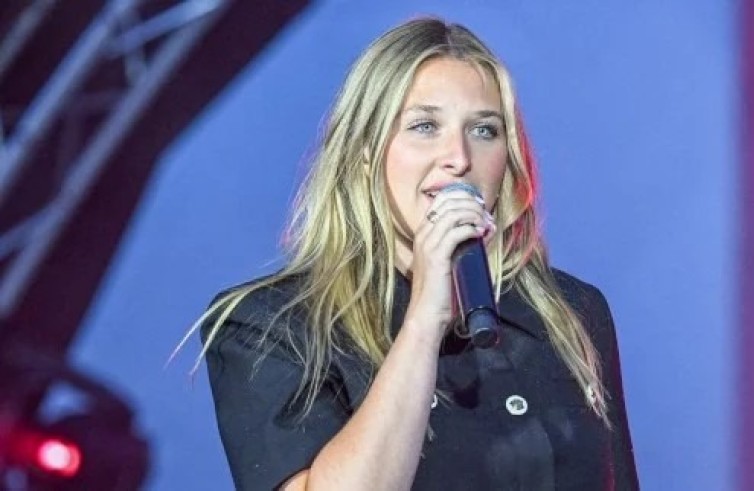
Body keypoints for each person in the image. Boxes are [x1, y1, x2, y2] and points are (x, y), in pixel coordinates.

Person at [194, 17, 638, 490]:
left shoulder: (570, 311)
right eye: (425, 126)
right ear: (365, 152)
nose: (458, 157)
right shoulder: (274, 326)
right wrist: (425, 320)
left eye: (484, 130)